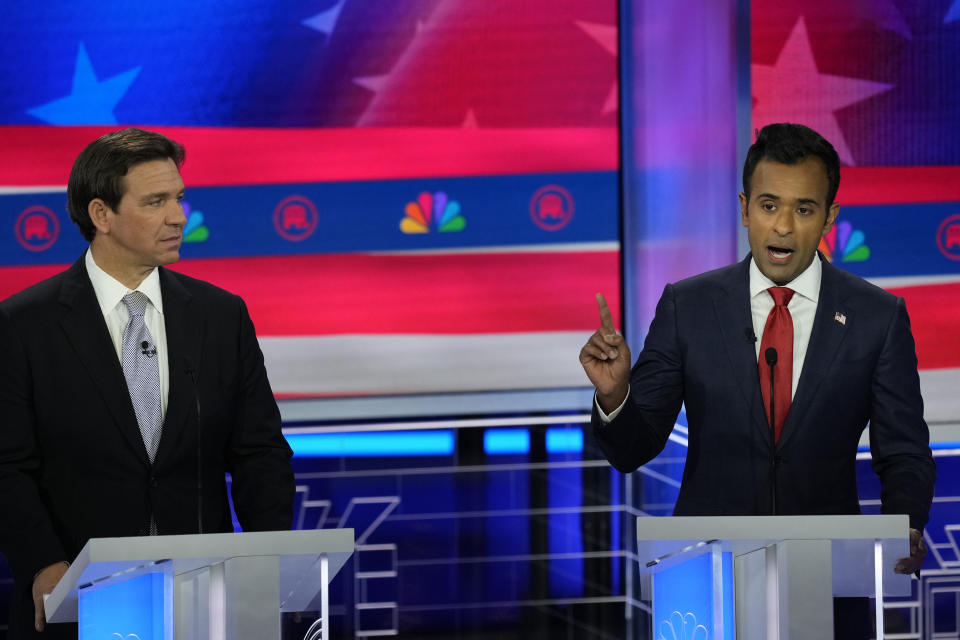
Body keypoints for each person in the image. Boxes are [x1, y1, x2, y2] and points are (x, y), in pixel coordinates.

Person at [579, 123, 936, 636]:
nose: (784, 226)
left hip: (830, 583)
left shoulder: (876, 317)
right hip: (705, 582)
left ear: (830, 217)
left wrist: (906, 522)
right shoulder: (690, 305)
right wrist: (614, 395)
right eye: (769, 206)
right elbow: (634, 448)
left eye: (804, 209)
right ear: (745, 207)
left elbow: (903, 451)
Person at [0, 128, 296, 638]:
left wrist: (266, 557)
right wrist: (44, 565)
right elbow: (7, 467)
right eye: (156, 201)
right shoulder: (25, 325)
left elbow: (260, 451)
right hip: (79, 598)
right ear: (101, 215)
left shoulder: (220, 316)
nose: (179, 216)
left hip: (203, 600)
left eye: (179, 197)